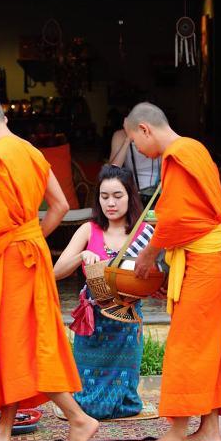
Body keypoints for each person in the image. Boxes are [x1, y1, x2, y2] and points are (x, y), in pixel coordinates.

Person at [0, 93, 98, 441]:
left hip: (12, 263)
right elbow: (62, 206)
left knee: (24, 346)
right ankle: (2, 432)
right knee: (11, 344)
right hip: (30, 254)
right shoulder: (33, 152)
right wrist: (30, 236)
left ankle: (77, 418)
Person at [125, 102, 221, 441]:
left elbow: (176, 218)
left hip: (207, 262)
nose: (139, 151)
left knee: (187, 344)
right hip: (210, 257)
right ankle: (208, 429)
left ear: (145, 129)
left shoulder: (176, 155)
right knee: (207, 344)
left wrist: (148, 256)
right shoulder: (194, 149)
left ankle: (178, 432)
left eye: (135, 142)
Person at [52, 164, 155, 420]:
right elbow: (56, 271)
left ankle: (120, 405)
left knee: (125, 399)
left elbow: (156, 275)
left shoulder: (144, 234)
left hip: (126, 317)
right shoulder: (89, 230)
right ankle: (87, 411)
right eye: (104, 196)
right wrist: (81, 256)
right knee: (87, 389)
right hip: (93, 318)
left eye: (118, 196)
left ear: (130, 196)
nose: (111, 203)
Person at [109, 128, 161, 198]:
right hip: (135, 194)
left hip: (160, 193)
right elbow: (112, 172)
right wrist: (127, 141)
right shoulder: (121, 135)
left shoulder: (160, 132)